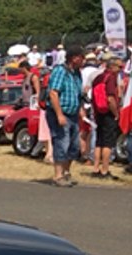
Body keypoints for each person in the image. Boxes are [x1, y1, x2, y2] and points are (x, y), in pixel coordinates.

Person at [46, 46, 86, 187]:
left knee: (74, 146)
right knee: (61, 143)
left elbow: (78, 94)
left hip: (73, 113)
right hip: (60, 113)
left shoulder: (77, 74)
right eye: (82, 57)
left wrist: (80, 109)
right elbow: (53, 93)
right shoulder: (60, 71)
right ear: (74, 58)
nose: (83, 61)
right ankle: (58, 175)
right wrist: (59, 114)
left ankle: (66, 171)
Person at [90, 54, 123, 179]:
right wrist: (116, 113)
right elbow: (110, 98)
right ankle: (105, 170)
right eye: (119, 66)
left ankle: (95, 167)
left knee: (99, 140)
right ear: (112, 66)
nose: (121, 69)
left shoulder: (98, 77)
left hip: (98, 112)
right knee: (108, 142)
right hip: (108, 113)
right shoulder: (111, 78)